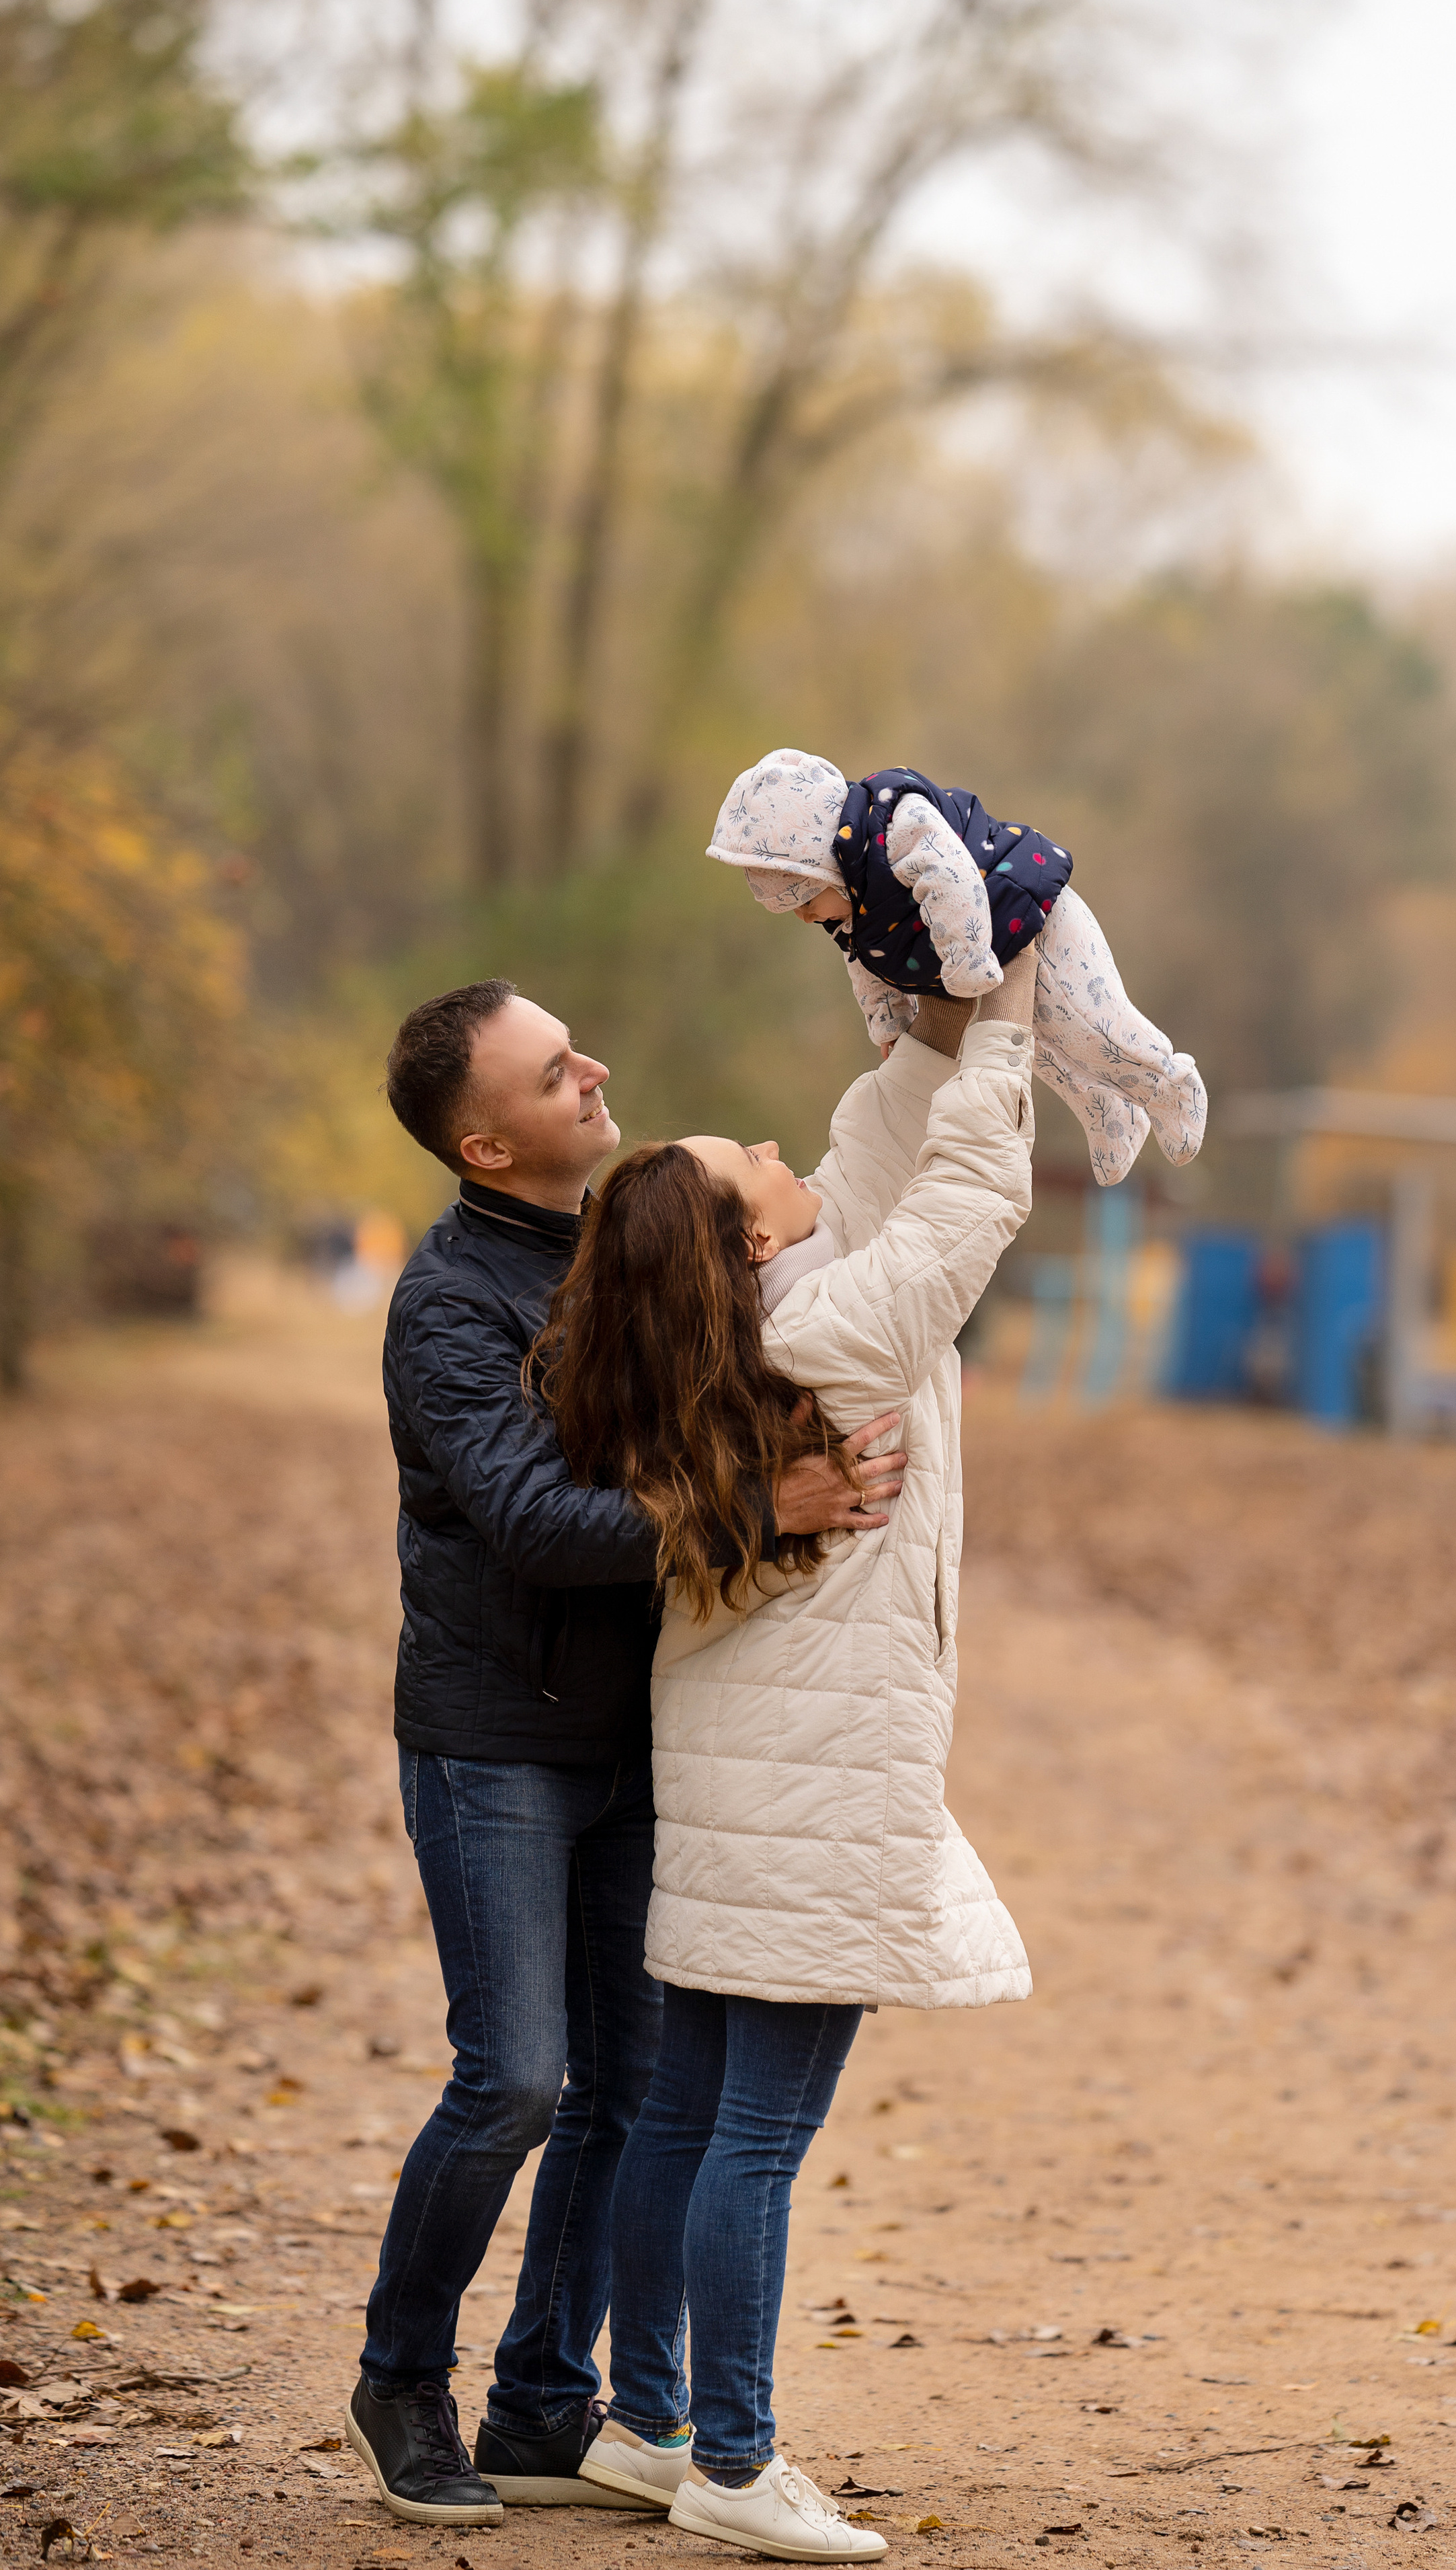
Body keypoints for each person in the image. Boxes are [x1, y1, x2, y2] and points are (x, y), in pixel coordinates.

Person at [345, 978, 907, 2532]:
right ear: (483, 1136)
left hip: (650, 1731)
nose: (590, 1068)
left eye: (576, 1045)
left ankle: (544, 2401)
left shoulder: (630, 1251)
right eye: (549, 1068)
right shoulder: (450, 1300)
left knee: (630, 2083)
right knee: (516, 2074)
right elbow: (530, 1523)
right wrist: (756, 1511)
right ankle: (402, 2373)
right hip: (497, 1742)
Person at [528, 951, 1039, 2561]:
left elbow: (883, 1148)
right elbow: (967, 1196)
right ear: (745, 1238)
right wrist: (1007, 1021)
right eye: (743, 1160)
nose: (771, 1146)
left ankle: (645, 2417)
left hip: (741, 1779)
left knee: (684, 2112)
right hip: (817, 1788)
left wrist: (924, 1012)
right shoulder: (834, 1332)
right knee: (754, 2129)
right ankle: (737, 2459)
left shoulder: (733, 1337)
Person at [705, 744, 1208, 1184]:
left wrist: (965, 962)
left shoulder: (898, 826)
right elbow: (865, 966)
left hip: (1035, 915)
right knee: (1048, 1053)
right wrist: (889, 1022)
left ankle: (1172, 1085)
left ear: (825, 865)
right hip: (998, 956)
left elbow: (953, 879)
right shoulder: (852, 908)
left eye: (806, 899)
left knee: (1090, 1028)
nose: (804, 917)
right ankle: (1113, 1116)